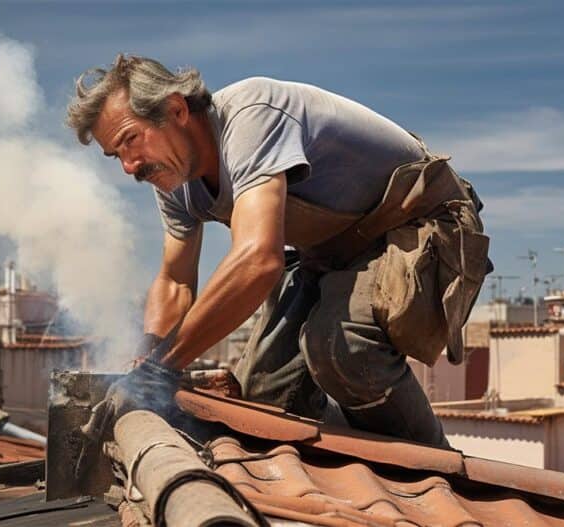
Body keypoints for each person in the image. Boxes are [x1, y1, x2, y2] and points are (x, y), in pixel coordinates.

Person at [65, 55, 489, 446]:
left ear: (176, 110)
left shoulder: (251, 117)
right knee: (268, 398)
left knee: (342, 349)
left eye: (131, 140)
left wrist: (163, 370)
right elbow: (175, 280)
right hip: (333, 252)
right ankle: (357, 465)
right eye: (115, 154)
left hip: (422, 224)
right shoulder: (176, 179)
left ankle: (438, 471)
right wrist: (149, 355)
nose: (129, 166)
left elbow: (258, 260)